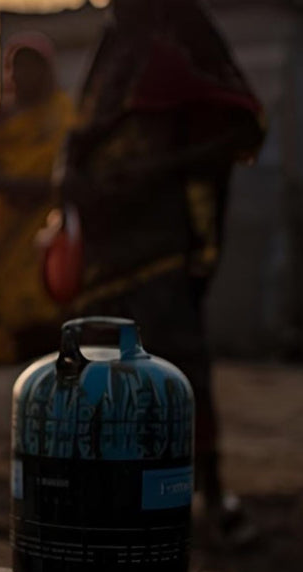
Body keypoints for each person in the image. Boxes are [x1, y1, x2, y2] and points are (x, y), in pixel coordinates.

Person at [61, 0, 265, 542]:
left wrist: (158, 171)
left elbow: (239, 129)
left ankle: (212, 495)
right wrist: (72, 183)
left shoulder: (185, 29)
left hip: (166, 235)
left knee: (180, 366)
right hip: (107, 242)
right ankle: (110, 494)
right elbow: (83, 132)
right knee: (99, 373)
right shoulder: (114, 37)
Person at [0, 32, 74, 366]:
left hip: (46, 223)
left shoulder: (62, 112)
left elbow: (67, 165)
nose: (24, 75)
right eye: (16, 67)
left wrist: (34, 190)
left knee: (44, 299)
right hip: (3, 226)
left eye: (32, 67)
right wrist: (16, 187)